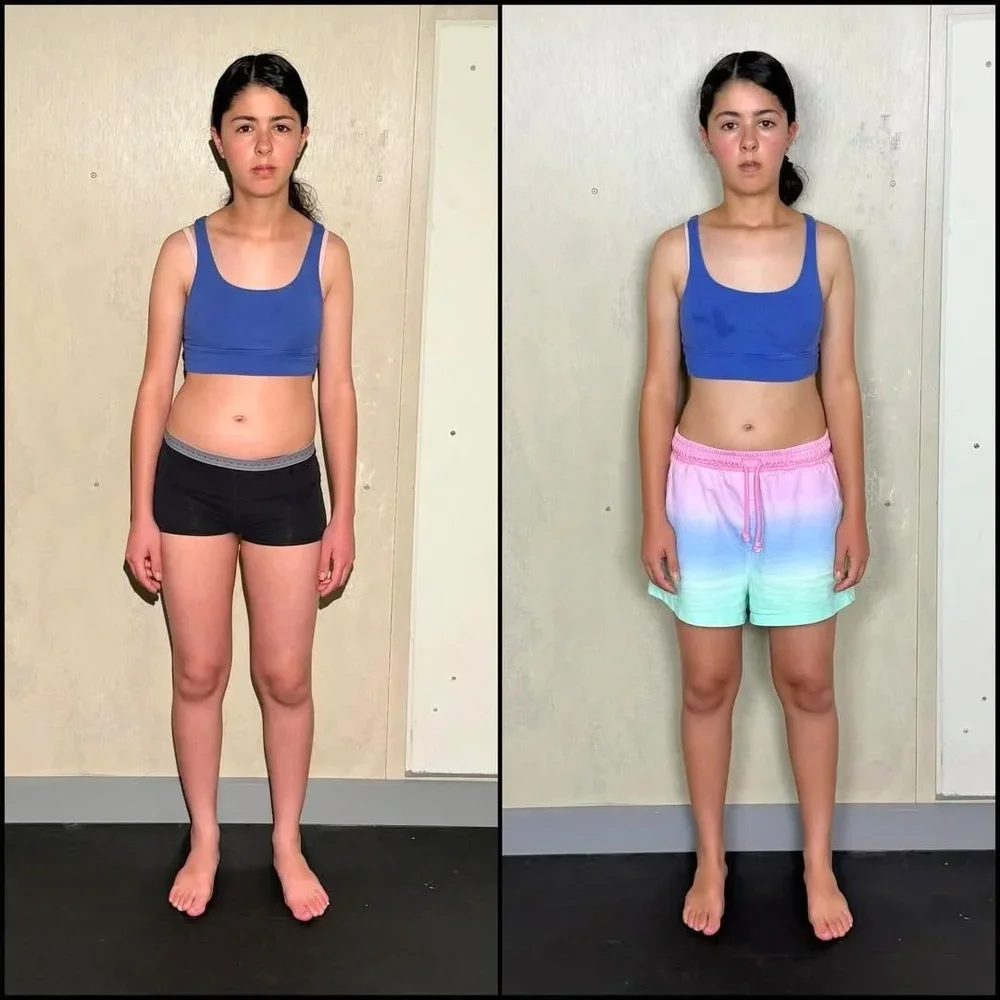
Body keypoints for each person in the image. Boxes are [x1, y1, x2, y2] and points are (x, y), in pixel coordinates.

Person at [639, 51, 869, 942]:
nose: (748, 140)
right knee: (708, 684)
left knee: (808, 681)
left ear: (790, 132)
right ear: (707, 137)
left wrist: (852, 505)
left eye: (765, 121)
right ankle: (711, 858)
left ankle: (818, 863)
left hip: (805, 491)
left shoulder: (831, 248)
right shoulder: (673, 250)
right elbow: (659, 387)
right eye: (730, 123)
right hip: (698, 491)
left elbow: (842, 384)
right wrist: (653, 505)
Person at [124, 53, 357, 922]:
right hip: (189, 486)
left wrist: (346, 513)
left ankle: (287, 841)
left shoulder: (329, 256)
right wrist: (141, 511)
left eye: (281, 125)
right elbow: (153, 386)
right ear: (219, 141)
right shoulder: (182, 251)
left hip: (289, 492)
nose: (264, 144)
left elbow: (337, 389)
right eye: (246, 126)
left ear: (302, 138)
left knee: (286, 677)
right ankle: (209, 837)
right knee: (199, 670)